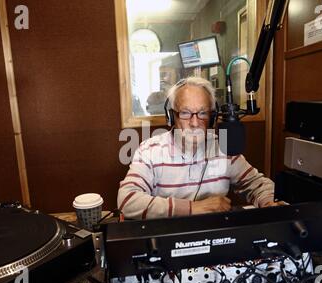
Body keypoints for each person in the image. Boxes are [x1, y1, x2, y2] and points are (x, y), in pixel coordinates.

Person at [117, 77, 277, 220]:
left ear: (212, 117)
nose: (194, 123)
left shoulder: (224, 147)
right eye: (185, 113)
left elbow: (257, 184)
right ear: (172, 116)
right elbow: (127, 200)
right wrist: (192, 208)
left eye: (202, 113)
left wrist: (268, 202)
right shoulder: (149, 151)